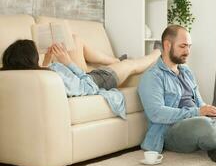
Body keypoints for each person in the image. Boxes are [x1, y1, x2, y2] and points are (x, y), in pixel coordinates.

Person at [138, 25, 216, 163]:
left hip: (202, 122)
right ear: (167, 45)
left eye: (189, 46)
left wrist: (213, 110)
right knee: (205, 125)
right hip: (171, 130)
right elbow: (156, 113)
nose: (187, 51)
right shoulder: (152, 76)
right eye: (182, 46)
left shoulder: (186, 72)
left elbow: (200, 104)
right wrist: (197, 112)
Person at [1, 39, 161, 113]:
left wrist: (47, 61)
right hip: (98, 80)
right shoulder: (54, 74)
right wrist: (68, 62)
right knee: (132, 65)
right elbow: (88, 86)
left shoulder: (31, 77)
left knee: (77, 41)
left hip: (91, 75)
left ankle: (116, 61)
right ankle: (159, 52)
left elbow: (47, 76)